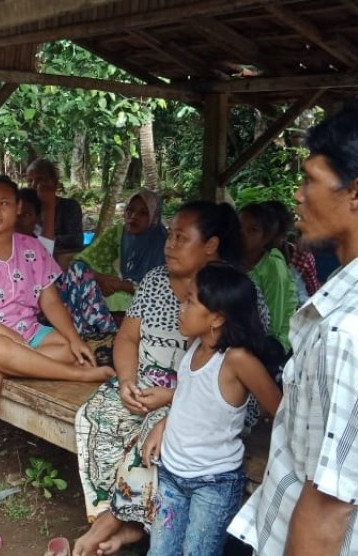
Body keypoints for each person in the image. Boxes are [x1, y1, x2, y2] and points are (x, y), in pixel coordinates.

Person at [73, 201, 262, 556]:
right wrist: (128, 382)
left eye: (180, 237)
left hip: (200, 403)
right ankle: (115, 513)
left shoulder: (233, 291)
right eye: (170, 235)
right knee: (94, 415)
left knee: (156, 436)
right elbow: (127, 338)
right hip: (147, 383)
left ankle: (116, 524)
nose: (169, 244)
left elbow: (236, 385)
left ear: (211, 245)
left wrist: (169, 398)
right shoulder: (155, 280)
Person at [229, 108, 358, 554]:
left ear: (356, 191)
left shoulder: (345, 331)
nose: (298, 196)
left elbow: (328, 505)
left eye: (310, 181)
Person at [0, 176, 114, 412]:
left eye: (4, 203)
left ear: (18, 207)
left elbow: (50, 301)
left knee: (71, 350)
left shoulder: (32, 248)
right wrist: (6, 334)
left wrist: (74, 338)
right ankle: (77, 375)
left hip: (26, 331)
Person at [141, 263, 282, 556]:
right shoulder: (196, 345)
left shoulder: (237, 360)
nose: (182, 305)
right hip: (172, 473)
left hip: (213, 483)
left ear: (216, 318)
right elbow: (193, 399)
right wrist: (163, 424)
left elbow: (280, 409)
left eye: (191, 300)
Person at [16, 187, 116, 339]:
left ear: (37, 218)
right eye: (17, 213)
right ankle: (88, 334)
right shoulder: (3, 243)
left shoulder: (36, 244)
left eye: (27, 214)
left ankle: (106, 332)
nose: (20, 219)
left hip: (51, 303)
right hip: (31, 311)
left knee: (79, 270)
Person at [78, 189, 167, 314]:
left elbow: (163, 290)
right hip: (114, 291)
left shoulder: (164, 244)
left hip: (150, 306)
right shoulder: (118, 233)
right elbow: (79, 263)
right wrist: (100, 278)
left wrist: (121, 285)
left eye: (143, 213)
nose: (133, 216)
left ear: (154, 217)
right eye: (130, 210)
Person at [238, 202, 297, 353]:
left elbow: (274, 324)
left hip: (273, 339)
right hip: (244, 332)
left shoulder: (273, 267)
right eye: (239, 227)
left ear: (266, 238)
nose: (242, 234)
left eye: (252, 230)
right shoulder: (233, 261)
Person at [26, 158, 84, 253]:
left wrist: (46, 241)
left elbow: (76, 240)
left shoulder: (69, 207)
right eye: (30, 180)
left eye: (40, 179)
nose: (34, 185)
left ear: (54, 182)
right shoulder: (25, 210)